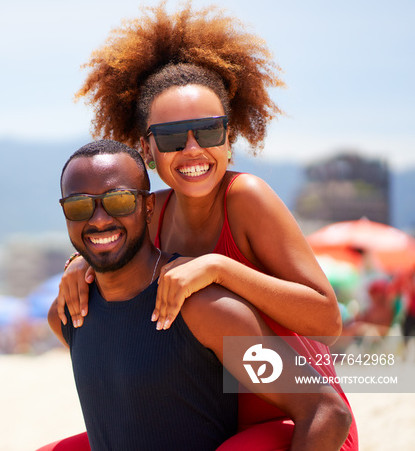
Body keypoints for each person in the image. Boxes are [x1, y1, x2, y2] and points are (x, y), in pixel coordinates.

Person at [55, 0, 358, 450]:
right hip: (212, 415)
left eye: (209, 131)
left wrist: (220, 267)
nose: (193, 149)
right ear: (147, 151)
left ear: (229, 138)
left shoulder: (246, 198)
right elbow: (112, 249)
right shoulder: (149, 214)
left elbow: (327, 321)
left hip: (297, 422)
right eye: (173, 137)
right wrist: (82, 264)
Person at [40, 140, 351, 451]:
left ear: (148, 207)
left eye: (119, 201)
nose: (98, 219)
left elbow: (327, 411)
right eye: (79, 206)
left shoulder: (206, 310)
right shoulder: (69, 313)